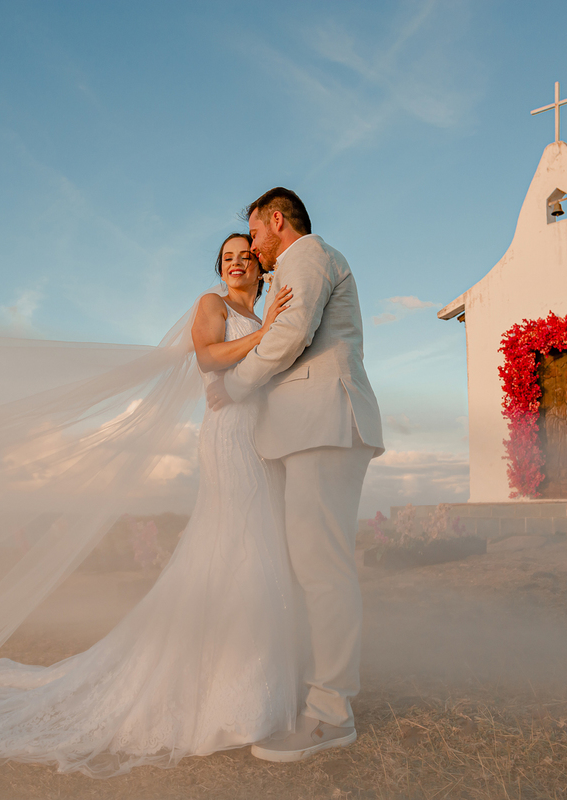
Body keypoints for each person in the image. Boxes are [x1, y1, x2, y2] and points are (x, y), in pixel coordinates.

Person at [0, 233, 300, 776]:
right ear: (221, 268)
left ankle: (248, 682)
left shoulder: (261, 313)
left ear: (260, 265)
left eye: (244, 255)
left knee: (255, 548)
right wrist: (268, 336)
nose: (235, 263)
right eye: (226, 257)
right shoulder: (212, 306)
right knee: (238, 547)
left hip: (261, 438)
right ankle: (231, 696)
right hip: (228, 436)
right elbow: (209, 359)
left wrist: (273, 329)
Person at [207, 187, 384, 762]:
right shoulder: (298, 260)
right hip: (306, 431)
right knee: (306, 568)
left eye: (254, 233)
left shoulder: (306, 255)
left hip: (323, 427)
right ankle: (312, 692)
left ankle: (331, 715)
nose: (252, 248)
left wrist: (232, 388)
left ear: (276, 221)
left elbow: (289, 336)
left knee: (322, 568)